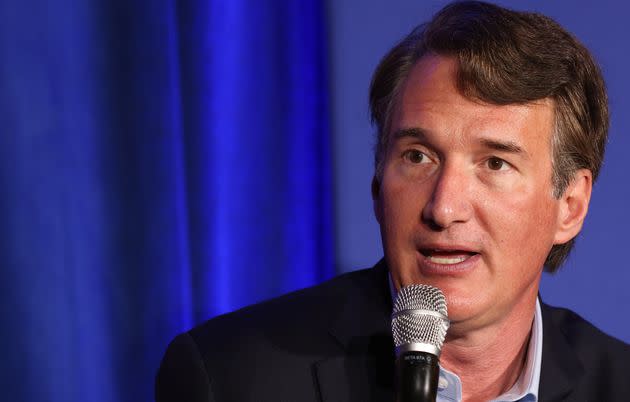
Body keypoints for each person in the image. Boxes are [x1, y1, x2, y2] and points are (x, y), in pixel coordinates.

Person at [155, 2, 630, 401]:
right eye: (418, 156)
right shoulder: (229, 378)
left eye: (495, 164)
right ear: (378, 185)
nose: (443, 209)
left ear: (570, 205)